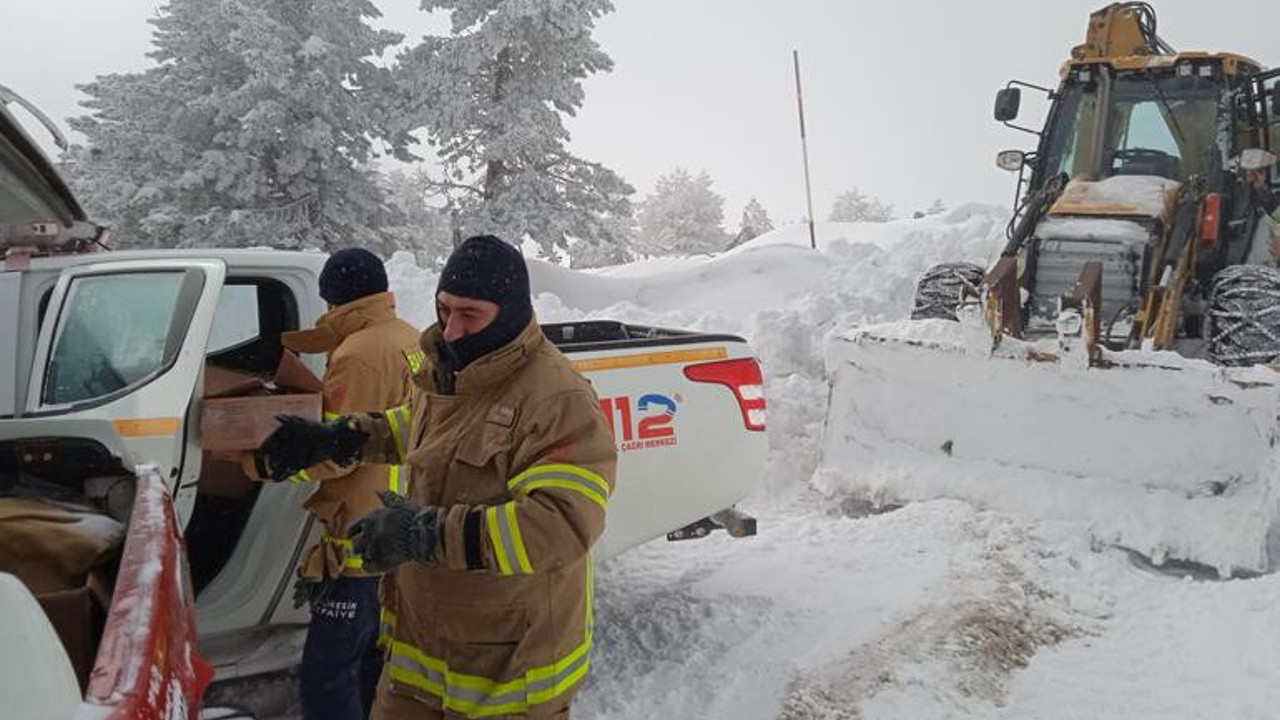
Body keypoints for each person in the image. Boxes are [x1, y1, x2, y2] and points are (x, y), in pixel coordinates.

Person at [257, 235, 617, 720]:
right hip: (422, 653)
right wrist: (342, 437)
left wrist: (425, 535)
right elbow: (426, 428)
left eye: (470, 314)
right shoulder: (450, 368)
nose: (451, 329)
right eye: (444, 309)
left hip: (507, 674)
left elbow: (560, 527)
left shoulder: (557, 400)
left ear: (510, 312)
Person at [247, 248, 421, 720]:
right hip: (398, 525)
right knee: (373, 661)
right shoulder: (408, 337)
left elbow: (339, 454)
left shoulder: (358, 355)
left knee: (329, 671)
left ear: (337, 300)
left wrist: (259, 463)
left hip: (359, 536)